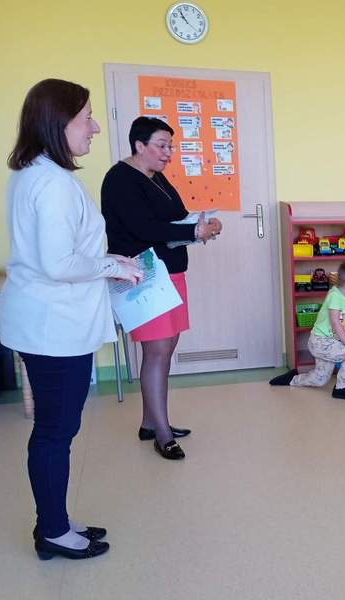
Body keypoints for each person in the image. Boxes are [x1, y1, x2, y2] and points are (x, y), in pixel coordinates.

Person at [0, 79, 142, 560]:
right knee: (55, 432)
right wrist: (112, 267)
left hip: (47, 323)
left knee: (56, 429)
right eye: (86, 118)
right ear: (57, 123)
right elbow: (59, 264)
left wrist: (108, 260)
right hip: (52, 328)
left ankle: (54, 520)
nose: (95, 128)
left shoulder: (34, 174)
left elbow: (61, 252)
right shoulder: (53, 183)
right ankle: (53, 532)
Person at [102, 116, 223, 460]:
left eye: (171, 145)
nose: (169, 152)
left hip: (170, 273)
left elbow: (176, 216)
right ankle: (163, 434)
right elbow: (144, 227)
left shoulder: (156, 176)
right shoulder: (120, 179)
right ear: (139, 145)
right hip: (144, 276)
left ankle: (151, 423)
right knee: (156, 351)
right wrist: (192, 232)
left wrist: (200, 225)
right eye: (161, 145)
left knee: (165, 349)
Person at [271, 261, 345, 399]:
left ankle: (292, 379)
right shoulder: (335, 296)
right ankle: (341, 389)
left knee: (320, 379)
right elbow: (335, 323)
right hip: (320, 342)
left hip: (332, 342)